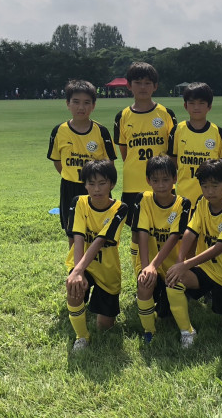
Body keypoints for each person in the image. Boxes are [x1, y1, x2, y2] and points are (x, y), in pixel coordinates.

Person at [165, 159, 222, 348]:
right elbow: (190, 231)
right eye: (205, 186)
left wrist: (186, 264)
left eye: (215, 186)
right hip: (206, 269)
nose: (209, 191)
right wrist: (179, 261)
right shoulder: (202, 202)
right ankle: (187, 332)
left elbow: (219, 247)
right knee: (173, 280)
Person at [113, 62, 177, 266]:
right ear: (129, 86)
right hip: (134, 183)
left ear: (155, 86)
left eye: (148, 83)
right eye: (138, 82)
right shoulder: (122, 116)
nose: (143, 87)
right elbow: (125, 151)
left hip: (162, 183)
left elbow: (173, 150)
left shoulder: (166, 113)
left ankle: (163, 268)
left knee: (165, 229)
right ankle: (139, 269)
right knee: (136, 230)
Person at [64, 160, 128, 351]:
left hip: (107, 269)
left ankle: (97, 308)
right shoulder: (79, 202)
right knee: (73, 287)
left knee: (105, 327)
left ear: (112, 184)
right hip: (82, 264)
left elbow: (100, 240)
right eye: (91, 184)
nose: (96, 189)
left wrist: (78, 270)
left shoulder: (120, 208)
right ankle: (81, 337)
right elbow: (78, 237)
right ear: (85, 185)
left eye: (102, 183)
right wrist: (77, 272)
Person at [48, 80, 117, 245]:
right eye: (76, 102)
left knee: (100, 232)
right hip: (70, 187)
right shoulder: (59, 131)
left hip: (97, 188)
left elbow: (109, 164)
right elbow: (57, 162)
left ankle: (100, 261)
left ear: (93, 106)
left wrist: (101, 184)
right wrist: (71, 175)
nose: (81, 107)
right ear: (68, 104)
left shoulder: (101, 131)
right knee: (72, 232)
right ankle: (75, 262)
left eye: (86, 103)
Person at [132, 156, 191, 344]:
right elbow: (142, 233)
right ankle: (149, 331)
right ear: (148, 180)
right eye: (155, 180)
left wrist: (154, 265)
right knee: (145, 284)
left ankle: (186, 331)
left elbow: (174, 237)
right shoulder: (143, 199)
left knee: (167, 311)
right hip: (149, 261)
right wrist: (146, 267)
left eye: (166, 179)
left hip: (172, 264)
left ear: (175, 179)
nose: (161, 185)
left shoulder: (183, 203)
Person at [167, 82, 222, 207]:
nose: (196, 107)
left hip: (211, 199)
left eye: (201, 103)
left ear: (209, 106)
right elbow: (173, 162)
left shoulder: (218, 132)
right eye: (192, 103)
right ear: (185, 105)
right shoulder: (177, 130)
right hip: (184, 197)